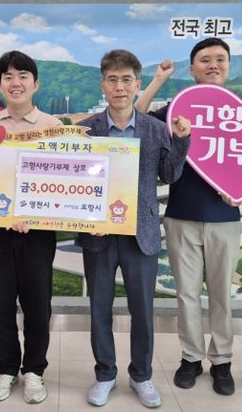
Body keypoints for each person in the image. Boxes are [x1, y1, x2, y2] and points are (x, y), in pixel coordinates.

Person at [76, 49, 191, 408]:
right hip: (98, 234)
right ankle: (105, 374)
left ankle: (141, 375)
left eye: (127, 80)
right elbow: (74, 184)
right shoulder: (86, 130)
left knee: (142, 310)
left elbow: (168, 175)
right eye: (113, 80)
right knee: (100, 309)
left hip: (141, 232)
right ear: (103, 84)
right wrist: (86, 220)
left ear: (138, 84)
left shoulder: (155, 129)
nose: (120, 87)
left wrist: (181, 140)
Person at [134, 37, 240, 396]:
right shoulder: (180, 107)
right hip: (181, 215)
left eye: (220, 59)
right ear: (192, 68)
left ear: (228, 66)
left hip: (226, 217)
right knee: (187, 295)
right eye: (205, 60)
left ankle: (222, 360)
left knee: (222, 295)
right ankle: (191, 357)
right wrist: (159, 79)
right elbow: (139, 116)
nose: (213, 65)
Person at [0, 50, 61, 404]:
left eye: (22, 76)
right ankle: (6, 369)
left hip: (38, 231)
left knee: (37, 304)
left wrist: (34, 214)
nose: (15, 83)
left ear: (36, 83)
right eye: (8, 76)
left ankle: (34, 370)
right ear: (1, 84)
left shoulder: (53, 125)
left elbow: (62, 182)